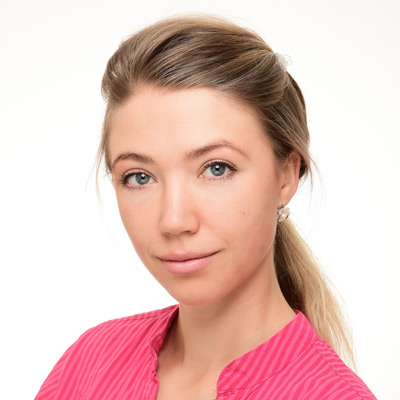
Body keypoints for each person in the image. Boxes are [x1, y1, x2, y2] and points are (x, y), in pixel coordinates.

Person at [35, 14, 376, 399]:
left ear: (286, 176)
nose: (174, 220)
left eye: (217, 168)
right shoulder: (88, 364)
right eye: (140, 177)